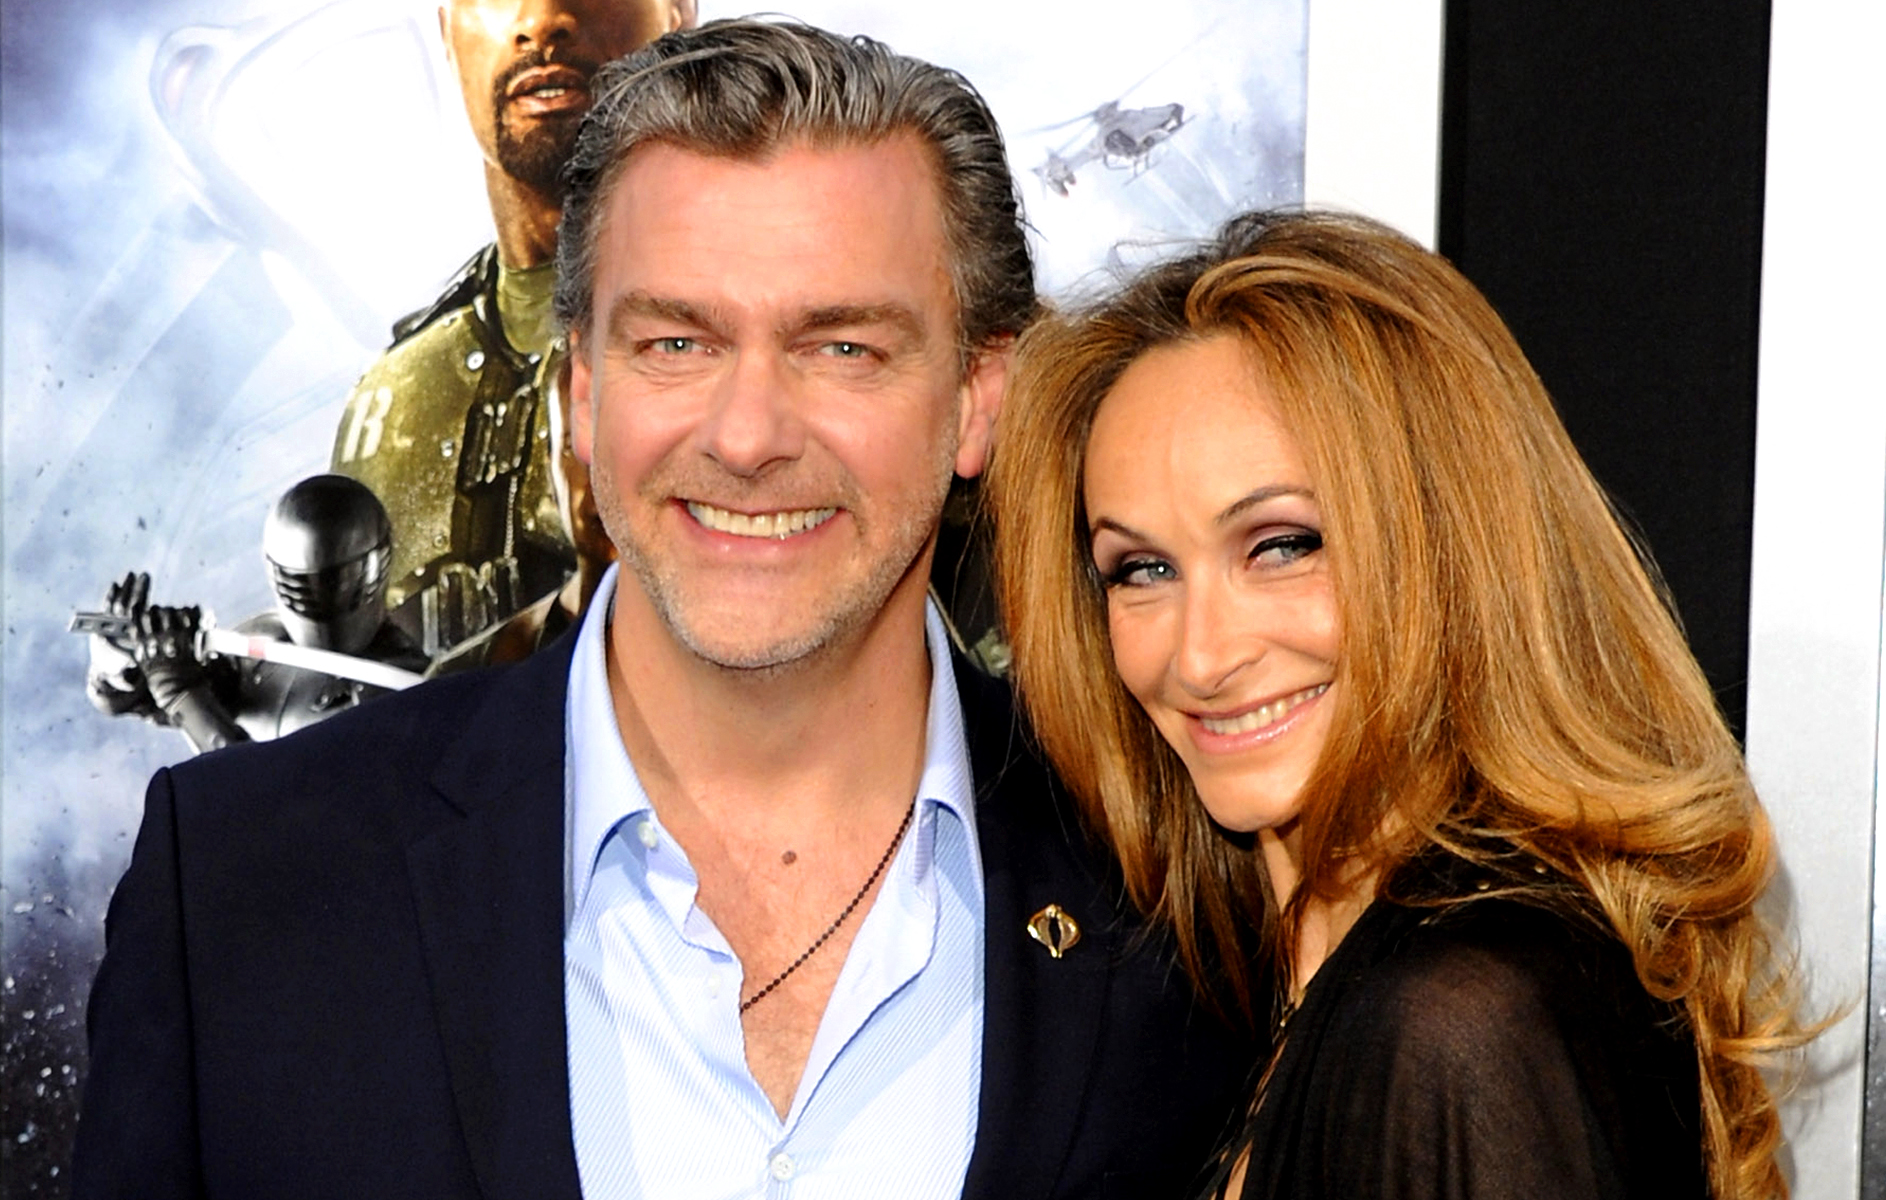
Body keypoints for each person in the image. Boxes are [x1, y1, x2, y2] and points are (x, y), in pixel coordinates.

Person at [70, 19, 1255, 1199]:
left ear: (978, 397)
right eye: (677, 341)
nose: (746, 438)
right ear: (585, 388)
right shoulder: (242, 886)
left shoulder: (1181, 887)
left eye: (842, 346)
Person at [987, 209, 1814, 1200]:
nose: (1199, 656)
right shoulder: (1296, 988)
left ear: (1450, 548)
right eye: (1143, 569)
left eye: (1283, 545)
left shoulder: (1461, 1021)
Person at [329, 0, 689, 657]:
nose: (542, 18)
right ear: (446, 30)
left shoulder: (791, 331)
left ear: (679, 13)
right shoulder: (397, 393)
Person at [83, 474, 427, 752]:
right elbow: (155, 704)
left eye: (338, 580)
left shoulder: (404, 687)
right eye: (303, 583)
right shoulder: (261, 644)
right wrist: (126, 667)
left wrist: (179, 688)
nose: (322, 594)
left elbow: (273, 802)